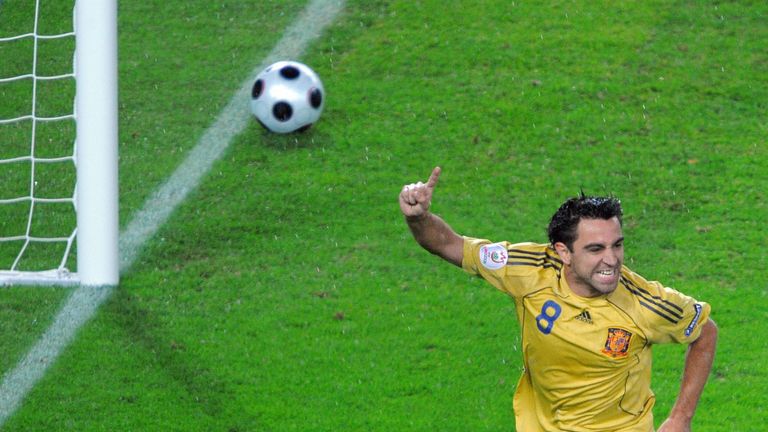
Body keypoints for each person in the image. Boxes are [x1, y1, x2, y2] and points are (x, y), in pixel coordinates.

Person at [399, 166, 718, 432]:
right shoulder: (527, 269)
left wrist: (680, 418)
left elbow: (705, 332)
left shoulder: (644, 303)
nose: (612, 260)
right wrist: (418, 218)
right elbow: (448, 245)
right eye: (596, 249)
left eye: (617, 245)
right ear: (562, 252)